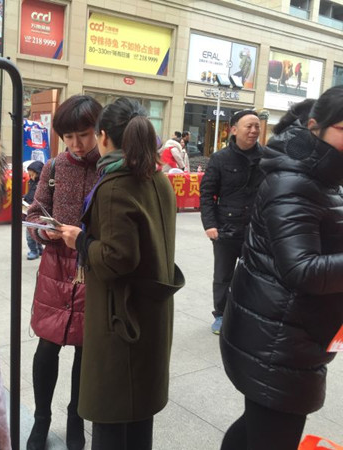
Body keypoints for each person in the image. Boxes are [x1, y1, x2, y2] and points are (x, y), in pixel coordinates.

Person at [220, 86, 343, 450]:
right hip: (276, 340)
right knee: (271, 434)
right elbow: (302, 269)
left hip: (287, 331)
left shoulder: (321, 176)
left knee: (254, 429)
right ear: (315, 126)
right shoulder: (295, 181)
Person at [60, 97, 184, 450]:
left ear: (103, 137)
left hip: (121, 322)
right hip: (150, 315)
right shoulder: (157, 178)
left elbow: (117, 259)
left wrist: (80, 240)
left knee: (112, 419)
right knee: (138, 418)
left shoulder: (116, 185)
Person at [25, 94, 102, 450]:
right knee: (47, 346)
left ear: (99, 131)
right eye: (68, 137)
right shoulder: (55, 167)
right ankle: (41, 418)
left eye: (83, 135)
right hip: (56, 266)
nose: (76, 144)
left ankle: (76, 417)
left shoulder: (109, 167)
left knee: (86, 351)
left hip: (93, 265)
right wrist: (45, 231)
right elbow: (35, 212)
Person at [199, 109, 263, 334]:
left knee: (254, 276)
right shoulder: (220, 158)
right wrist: (210, 224)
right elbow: (207, 193)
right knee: (223, 276)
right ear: (234, 130)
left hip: (256, 230)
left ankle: (247, 314)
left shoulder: (267, 158)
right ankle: (221, 314)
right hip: (226, 229)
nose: (254, 130)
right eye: (249, 126)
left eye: (257, 126)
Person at [23, 160, 44, 260]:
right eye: (29, 175)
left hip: (36, 211)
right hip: (29, 209)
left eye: (32, 175)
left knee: (30, 233)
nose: (31, 177)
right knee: (35, 231)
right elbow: (30, 194)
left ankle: (33, 251)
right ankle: (39, 249)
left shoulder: (41, 184)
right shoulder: (32, 182)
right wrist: (25, 198)